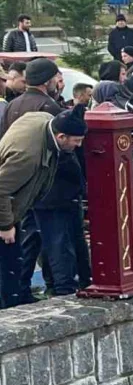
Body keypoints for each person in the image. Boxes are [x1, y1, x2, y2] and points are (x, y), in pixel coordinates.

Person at [0, 107, 86, 307]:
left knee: (17, 257)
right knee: (8, 263)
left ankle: (17, 299)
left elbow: (27, 115)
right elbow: (1, 189)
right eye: (76, 141)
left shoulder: (44, 119)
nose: (79, 145)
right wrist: (5, 225)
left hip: (18, 204)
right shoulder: (27, 156)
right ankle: (9, 309)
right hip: (5, 208)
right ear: (61, 136)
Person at [4, 58, 63, 130]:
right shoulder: (48, 106)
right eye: (54, 77)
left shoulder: (12, 104)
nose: (56, 81)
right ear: (46, 81)